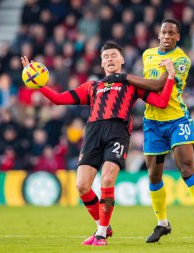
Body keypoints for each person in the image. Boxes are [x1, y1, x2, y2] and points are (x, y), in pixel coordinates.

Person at [21, 41, 175, 246]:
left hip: (117, 133)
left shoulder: (132, 84)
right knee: (82, 186)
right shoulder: (92, 87)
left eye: (113, 55)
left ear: (122, 60)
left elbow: (162, 102)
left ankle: (101, 233)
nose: (110, 59)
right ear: (102, 63)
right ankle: (102, 225)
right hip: (93, 133)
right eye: (106, 57)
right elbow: (58, 99)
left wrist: (171, 76)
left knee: (107, 181)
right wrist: (37, 83)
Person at [103, 18, 194, 244]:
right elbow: (147, 86)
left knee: (186, 169)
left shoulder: (182, 60)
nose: (166, 36)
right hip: (152, 122)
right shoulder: (148, 55)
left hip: (176, 119)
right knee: (153, 175)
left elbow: (158, 86)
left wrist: (124, 77)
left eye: (171, 33)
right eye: (164, 32)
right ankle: (162, 224)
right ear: (159, 34)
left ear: (177, 37)